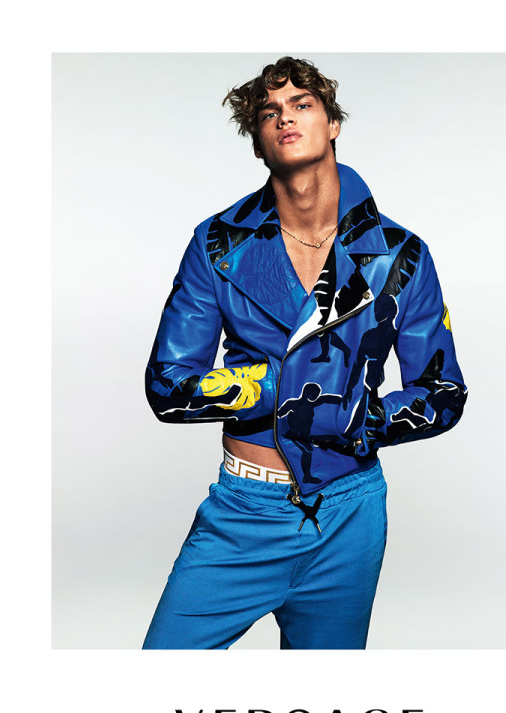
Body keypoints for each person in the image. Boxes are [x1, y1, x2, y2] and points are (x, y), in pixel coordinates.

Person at [142, 56, 467, 650]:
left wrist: (359, 417)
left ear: (332, 123)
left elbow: (443, 393)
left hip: (349, 514)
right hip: (245, 509)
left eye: (302, 104)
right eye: (269, 113)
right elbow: (167, 384)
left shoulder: (400, 255)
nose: (285, 118)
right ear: (258, 142)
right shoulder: (217, 243)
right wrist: (279, 389)